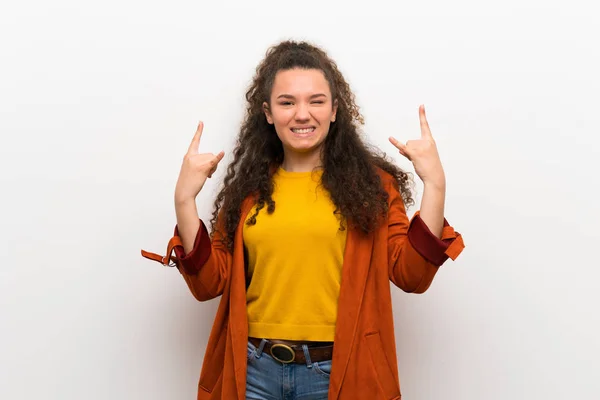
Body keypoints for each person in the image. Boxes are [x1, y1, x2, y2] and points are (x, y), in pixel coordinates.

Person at [141, 40, 465, 400]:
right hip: (253, 371)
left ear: (335, 109)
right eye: (287, 102)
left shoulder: (372, 188)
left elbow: (412, 276)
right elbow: (208, 284)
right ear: (267, 112)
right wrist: (184, 200)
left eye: (316, 101)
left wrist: (435, 184)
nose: (302, 113)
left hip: (337, 371)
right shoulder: (247, 190)